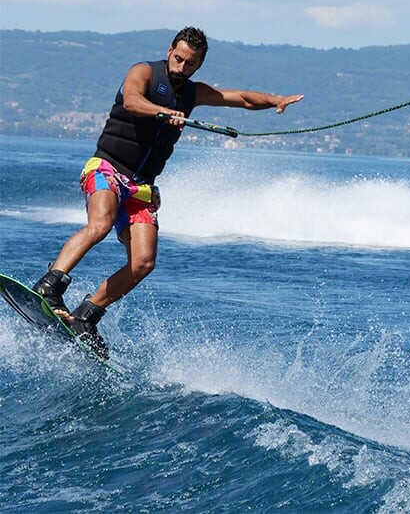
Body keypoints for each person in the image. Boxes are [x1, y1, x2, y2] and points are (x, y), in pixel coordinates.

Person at [32, 26, 303, 358]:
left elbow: (242, 98)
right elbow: (132, 100)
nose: (182, 67)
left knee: (143, 262)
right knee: (100, 224)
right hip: (106, 169)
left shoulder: (192, 93)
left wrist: (275, 101)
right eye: (178, 58)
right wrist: (162, 112)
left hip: (142, 187)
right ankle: (50, 285)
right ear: (169, 50)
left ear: (199, 64)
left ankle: (87, 315)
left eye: (191, 63)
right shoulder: (145, 72)